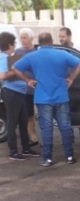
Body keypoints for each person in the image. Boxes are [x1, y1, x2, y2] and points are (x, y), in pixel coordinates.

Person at [13, 32, 80, 167]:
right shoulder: (62, 54)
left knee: (46, 129)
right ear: (51, 42)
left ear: (39, 43)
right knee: (65, 127)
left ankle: (47, 158)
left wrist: (28, 80)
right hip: (61, 96)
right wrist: (70, 79)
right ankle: (69, 156)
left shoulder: (32, 56)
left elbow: (15, 68)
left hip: (42, 97)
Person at [0, 32, 40, 161]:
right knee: (13, 122)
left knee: (24, 120)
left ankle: (26, 148)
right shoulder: (3, 57)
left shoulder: (9, 56)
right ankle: (13, 151)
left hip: (19, 92)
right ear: (10, 44)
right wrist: (16, 70)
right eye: (14, 43)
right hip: (11, 92)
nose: (15, 45)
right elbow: (2, 76)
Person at [14, 28, 39, 147]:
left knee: (35, 114)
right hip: (23, 89)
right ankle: (30, 137)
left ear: (31, 38)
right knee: (27, 114)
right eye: (21, 38)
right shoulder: (18, 52)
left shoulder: (37, 51)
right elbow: (12, 69)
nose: (23, 40)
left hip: (37, 87)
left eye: (25, 37)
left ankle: (35, 136)